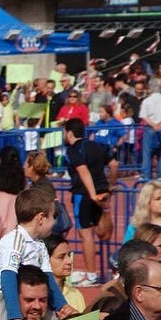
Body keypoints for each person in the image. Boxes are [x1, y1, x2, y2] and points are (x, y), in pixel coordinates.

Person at [0, 188, 75, 320]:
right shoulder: (15, 240)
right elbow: (8, 277)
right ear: (40, 218)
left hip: (24, 297)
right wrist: (15, 316)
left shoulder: (39, 244)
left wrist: (62, 306)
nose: (54, 223)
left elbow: (47, 277)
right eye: (52, 217)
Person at [64, 118, 117, 286]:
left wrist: (92, 193)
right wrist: (110, 186)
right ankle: (92, 273)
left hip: (84, 193)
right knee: (103, 234)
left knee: (86, 235)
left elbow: (83, 171)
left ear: (70, 133)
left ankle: (92, 275)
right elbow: (114, 164)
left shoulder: (73, 150)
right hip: (102, 191)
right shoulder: (96, 145)